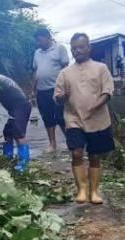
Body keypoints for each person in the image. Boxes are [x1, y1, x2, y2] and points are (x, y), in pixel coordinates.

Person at [54, 33, 115, 205]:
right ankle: (81, 190)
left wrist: (95, 106)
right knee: (76, 153)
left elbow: (108, 91)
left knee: (95, 156)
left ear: (89, 48)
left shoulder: (101, 68)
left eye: (81, 47)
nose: (78, 50)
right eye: (74, 48)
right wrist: (62, 97)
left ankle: (94, 191)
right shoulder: (64, 73)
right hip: (74, 119)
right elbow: (57, 96)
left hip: (98, 120)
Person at [32, 28, 69, 152]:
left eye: (39, 40)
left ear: (47, 37)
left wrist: (65, 87)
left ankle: (71, 142)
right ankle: (52, 144)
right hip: (41, 90)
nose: (38, 43)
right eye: (37, 41)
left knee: (60, 117)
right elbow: (36, 71)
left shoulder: (59, 49)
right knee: (47, 117)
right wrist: (33, 89)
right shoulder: (37, 53)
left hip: (56, 89)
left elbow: (66, 69)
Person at [0, 73, 32, 171]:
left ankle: (24, 162)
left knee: (18, 132)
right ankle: (7, 157)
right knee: (7, 131)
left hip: (21, 106)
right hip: (14, 108)